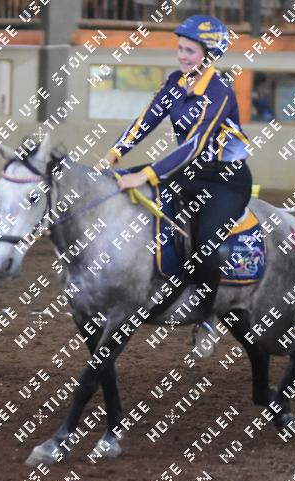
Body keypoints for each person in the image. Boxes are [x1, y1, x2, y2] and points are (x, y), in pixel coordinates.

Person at [100, 15, 252, 329]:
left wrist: (145, 174)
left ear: (209, 55)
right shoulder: (174, 82)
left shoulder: (219, 92)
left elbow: (194, 145)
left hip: (225, 180)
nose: (182, 56)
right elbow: (145, 121)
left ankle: (206, 317)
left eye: (190, 51)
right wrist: (112, 155)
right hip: (189, 171)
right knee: (124, 192)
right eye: (180, 49)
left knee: (206, 246)